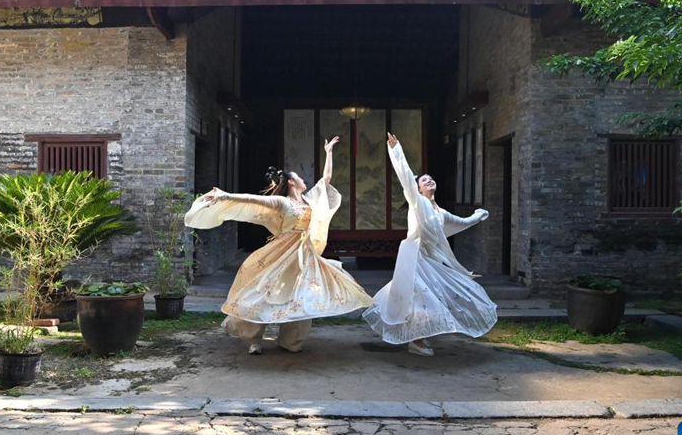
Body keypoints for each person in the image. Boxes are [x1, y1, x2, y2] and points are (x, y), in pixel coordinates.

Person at [185, 136, 373, 354]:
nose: (305, 180)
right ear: (292, 182)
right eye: (300, 178)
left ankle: (291, 341)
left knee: (299, 294)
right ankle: (253, 338)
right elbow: (251, 199)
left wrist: (328, 152)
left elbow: (327, 179)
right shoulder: (283, 202)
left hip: (304, 253)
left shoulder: (310, 200)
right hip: (282, 252)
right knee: (264, 292)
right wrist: (224, 195)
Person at [363, 132, 498, 356]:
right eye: (424, 180)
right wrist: (397, 151)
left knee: (431, 298)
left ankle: (417, 339)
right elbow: (405, 175)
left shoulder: (439, 211)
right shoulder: (417, 202)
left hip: (428, 259)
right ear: (418, 189)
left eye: (430, 178)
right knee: (419, 300)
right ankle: (416, 341)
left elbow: (461, 222)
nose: (429, 180)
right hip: (413, 258)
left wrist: (478, 215)